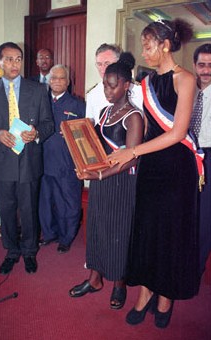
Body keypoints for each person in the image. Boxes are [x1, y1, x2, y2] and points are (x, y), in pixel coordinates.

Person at [108, 18, 201, 328]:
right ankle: (146, 292)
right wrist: (120, 150)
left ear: (164, 46)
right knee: (148, 231)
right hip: (151, 167)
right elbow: (147, 127)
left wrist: (132, 152)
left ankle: (166, 296)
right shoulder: (145, 83)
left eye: (148, 47)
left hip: (177, 169)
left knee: (170, 234)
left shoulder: (185, 78)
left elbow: (177, 133)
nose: (144, 52)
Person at [69, 53, 143, 309]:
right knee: (97, 228)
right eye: (105, 85)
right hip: (101, 181)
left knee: (119, 233)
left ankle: (119, 284)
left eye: (113, 85)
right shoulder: (104, 111)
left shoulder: (134, 116)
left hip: (122, 184)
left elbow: (131, 159)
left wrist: (97, 174)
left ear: (126, 85)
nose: (108, 90)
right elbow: (96, 147)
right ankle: (95, 277)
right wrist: (76, 135)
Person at [0, 42, 54, 275]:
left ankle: (29, 251)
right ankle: (11, 251)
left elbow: (49, 124)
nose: (14, 64)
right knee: (7, 209)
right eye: (8, 59)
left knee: (29, 209)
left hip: (29, 158)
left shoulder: (38, 90)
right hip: (2, 160)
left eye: (18, 59)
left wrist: (37, 132)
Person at [39, 64, 85, 254]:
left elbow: (86, 135)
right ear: (49, 81)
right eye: (53, 78)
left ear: (68, 81)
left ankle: (66, 238)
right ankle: (49, 234)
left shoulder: (78, 105)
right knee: (45, 201)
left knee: (69, 203)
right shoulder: (40, 102)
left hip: (67, 163)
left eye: (61, 78)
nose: (57, 81)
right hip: (42, 162)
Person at [86, 43, 143, 126]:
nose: (102, 69)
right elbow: (90, 124)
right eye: (99, 64)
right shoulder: (93, 94)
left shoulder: (138, 91)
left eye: (107, 63)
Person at [191, 43, 211, 275]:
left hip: (209, 157)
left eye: (210, 66)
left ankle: (195, 271)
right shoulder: (188, 90)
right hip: (188, 155)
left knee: (205, 217)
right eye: (202, 65)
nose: (206, 70)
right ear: (195, 66)